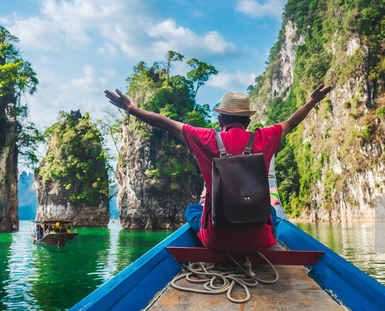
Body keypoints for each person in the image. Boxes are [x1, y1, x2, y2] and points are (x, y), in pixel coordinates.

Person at [104, 84, 332, 254]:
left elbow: (164, 122)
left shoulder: (206, 139)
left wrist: (131, 108)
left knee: (193, 210)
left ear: (221, 119)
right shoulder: (265, 137)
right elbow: (291, 123)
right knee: (272, 213)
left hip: (217, 240)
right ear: (248, 121)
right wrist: (312, 101)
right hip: (259, 240)